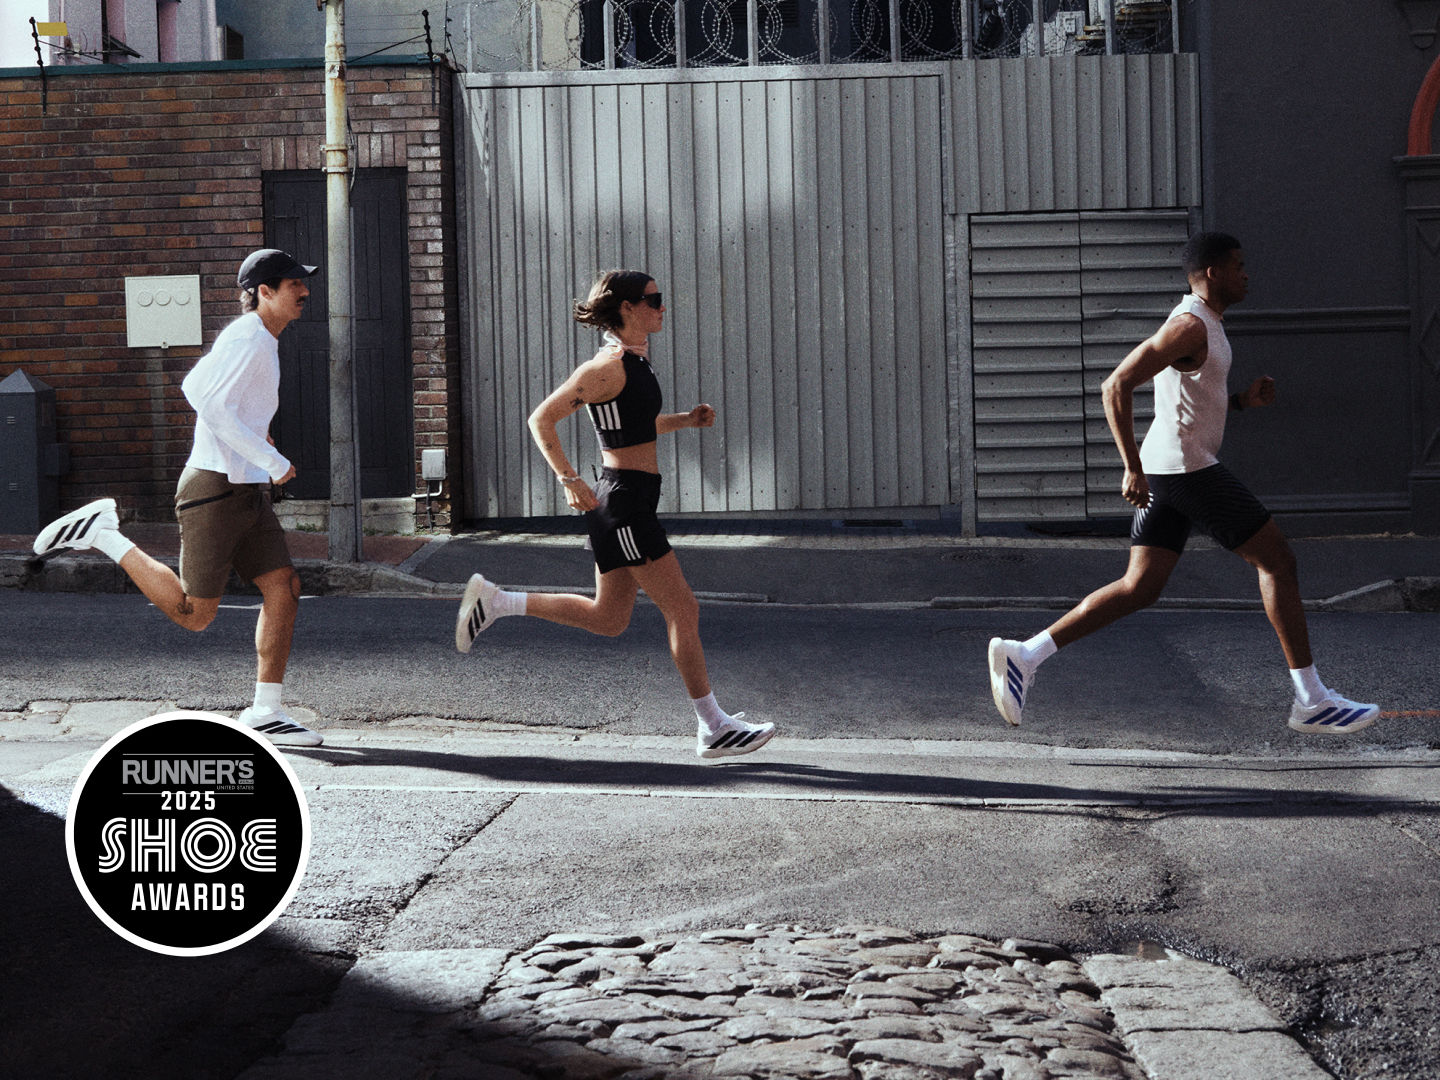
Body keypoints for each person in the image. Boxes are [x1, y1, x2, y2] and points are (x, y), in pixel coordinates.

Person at [986, 232, 1379, 736]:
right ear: (1213, 272)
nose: (1246, 274)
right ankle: (1311, 699)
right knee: (1278, 559)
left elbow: (1187, 401)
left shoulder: (1207, 324)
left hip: (1172, 466)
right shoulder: (1190, 325)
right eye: (1239, 265)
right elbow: (1116, 384)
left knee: (1139, 587)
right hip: (1184, 469)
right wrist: (1130, 466)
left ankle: (1025, 654)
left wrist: (1240, 403)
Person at [454, 269, 776, 760]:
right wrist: (568, 479)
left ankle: (497, 601)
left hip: (629, 500)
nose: (663, 307)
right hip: (624, 506)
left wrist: (685, 421)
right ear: (627, 308)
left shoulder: (636, 362)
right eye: (654, 299)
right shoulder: (605, 366)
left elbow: (634, 428)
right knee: (683, 608)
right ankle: (713, 726)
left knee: (608, 619)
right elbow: (541, 418)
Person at [32, 248, 324, 747]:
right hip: (214, 490)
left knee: (284, 587)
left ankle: (265, 711)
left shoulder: (263, 341)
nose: (304, 291)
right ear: (263, 292)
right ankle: (103, 534)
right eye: (293, 283)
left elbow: (228, 408)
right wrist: (273, 462)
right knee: (196, 613)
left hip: (243, 487)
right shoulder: (248, 336)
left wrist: (260, 443)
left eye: (303, 282)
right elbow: (202, 394)